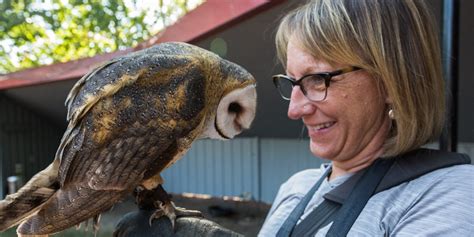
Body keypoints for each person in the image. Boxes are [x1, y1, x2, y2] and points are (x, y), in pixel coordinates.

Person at [258, 0, 474, 236]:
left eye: (318, 79)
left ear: (392, 83)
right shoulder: (297, 186)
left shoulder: (448, 193)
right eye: (292, 81)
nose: (295, 110)